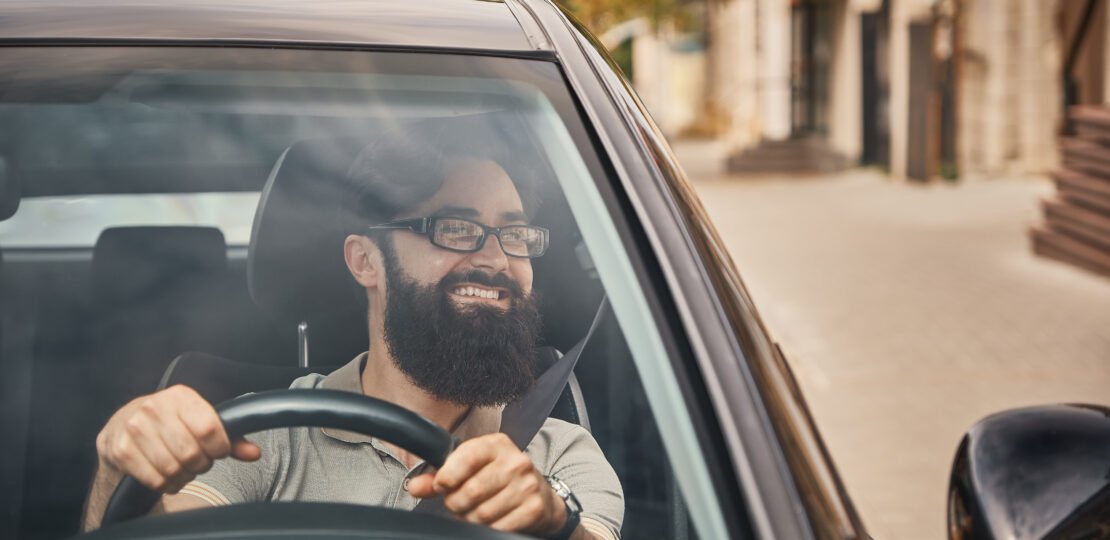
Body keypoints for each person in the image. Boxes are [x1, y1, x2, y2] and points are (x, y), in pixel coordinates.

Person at [82, 125, 625, 540]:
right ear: (366, 261)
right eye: (455, 229)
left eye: (515, 233)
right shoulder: (262, 435)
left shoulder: (558, 457)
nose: (496, 257)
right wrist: (118, 470)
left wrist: (556, 524)